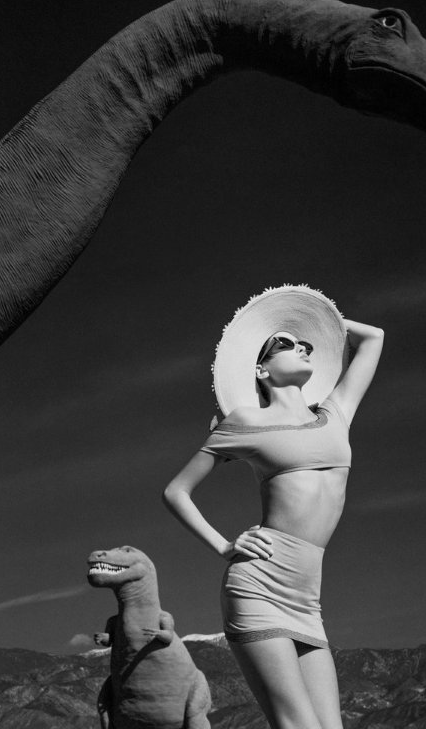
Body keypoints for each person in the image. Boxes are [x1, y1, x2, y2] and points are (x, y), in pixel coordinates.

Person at [163, 285, 383, 729]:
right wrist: (224, 546)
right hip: (260, 585)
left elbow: (373, 337)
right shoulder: (245, 422)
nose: (302, 347)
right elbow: (176, 491)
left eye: (306, 345)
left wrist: (317, 321)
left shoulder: (336, 412)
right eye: (286, 344)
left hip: (307, 597)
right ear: (261, 369)